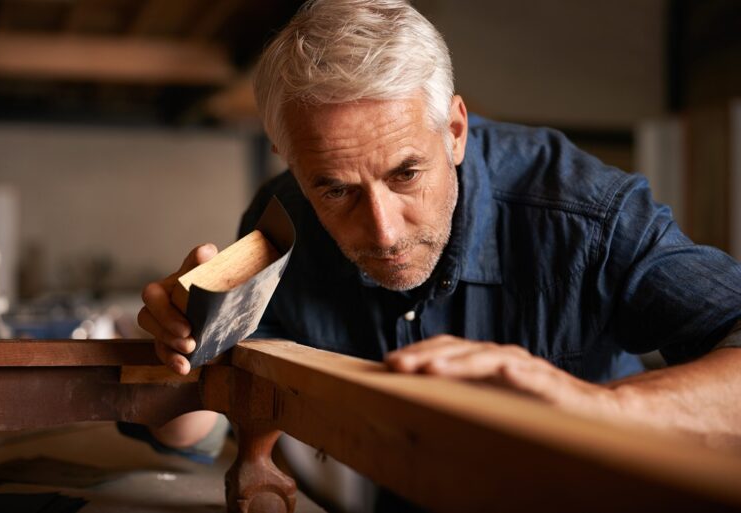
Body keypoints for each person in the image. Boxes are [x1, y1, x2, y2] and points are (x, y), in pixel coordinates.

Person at [134, 0, 741, 508]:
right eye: (336, 189)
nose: (384, 232)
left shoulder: (587, 215)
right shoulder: (281, 222)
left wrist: (593, 409)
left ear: (454, 130)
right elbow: (211, 414)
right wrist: (185, 352)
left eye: (406, 174)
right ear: (286, 155)